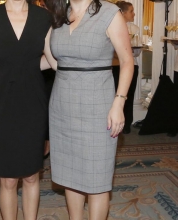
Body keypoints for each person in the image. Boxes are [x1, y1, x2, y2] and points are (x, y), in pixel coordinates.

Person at [43, 0, 134, 219]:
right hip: (62, 108)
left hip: (98, 107)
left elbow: (127, 61)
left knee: (97, 179)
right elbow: (54, 62)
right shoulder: (58, 15)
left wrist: (119, 103)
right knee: (70, 176)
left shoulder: (110, 13)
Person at [0, 0, 51, 219]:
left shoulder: (43, 18)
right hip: (1, 106)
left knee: (32, 176)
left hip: (33, 105)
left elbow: (53, 60)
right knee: (7, 179)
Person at [112, 1, 142, 134]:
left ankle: (126, 125)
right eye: (131, 11)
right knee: (113, 96)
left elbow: (137, 52)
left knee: (128, 96)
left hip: (132, 66)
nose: (134, 13)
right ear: (122, 13)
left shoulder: (134, 29)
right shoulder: (111, 27)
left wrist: (126, 52)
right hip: (113, 66)